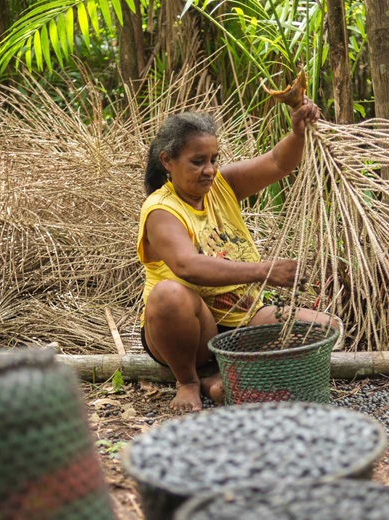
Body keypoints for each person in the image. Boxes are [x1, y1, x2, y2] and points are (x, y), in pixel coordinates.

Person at [137, 99, 335, 411]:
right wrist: (264, 271)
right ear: (167, 161)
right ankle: (189, 379)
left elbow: (278, 163)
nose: (209, 170)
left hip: (243, 322)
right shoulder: (162, 210)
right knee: (168, 295)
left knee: (324, 328)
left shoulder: (220, 185)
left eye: (214, 159)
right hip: (192, 330)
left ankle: (224, 378)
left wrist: (298, 134)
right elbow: (186, 266)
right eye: (198, 161)